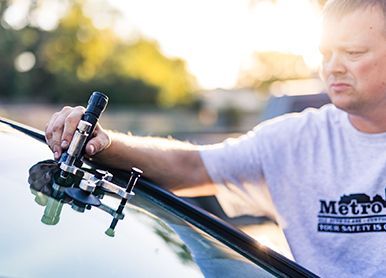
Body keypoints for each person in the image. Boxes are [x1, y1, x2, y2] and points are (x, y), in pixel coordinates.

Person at [45, 0, 386, 277]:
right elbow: (192, 167)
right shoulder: (294, 140)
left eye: (353, 53)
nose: (333, 67)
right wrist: (104, 144)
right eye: (325, 54)